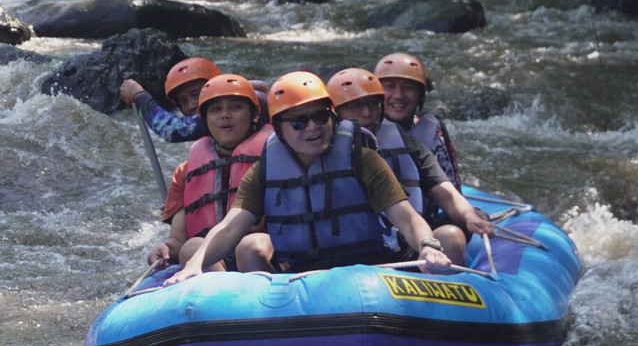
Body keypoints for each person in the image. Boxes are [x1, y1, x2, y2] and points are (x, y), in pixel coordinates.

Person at [165, 71, 452, 285]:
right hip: (305, 271)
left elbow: (405, 215)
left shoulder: (362, 159)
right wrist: (196, 263)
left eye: (319, 117)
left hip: (371, 266)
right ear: (278, 129)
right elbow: (230, 227)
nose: (313, 128)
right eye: (299, 122)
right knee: (246, 248)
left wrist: (428, 245)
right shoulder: (264, 171)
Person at [327, 67, 492, 266]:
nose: (367, 113)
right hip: (340, 259)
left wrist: (468, 215)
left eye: (373, 104)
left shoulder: (403, 142)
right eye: (354, 106)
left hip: (400, 248)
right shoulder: (317, 150)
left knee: (451, 236)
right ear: (335, 113)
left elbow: (444, 191)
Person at [148, 74, 273, 271]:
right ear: (205, 120)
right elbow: (178, 241)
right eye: (216, 109)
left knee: (250, 247)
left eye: (235, 107)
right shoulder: (185, 172)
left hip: (263, 249)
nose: (225, 115)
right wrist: (165, 248)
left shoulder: (275, 155)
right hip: (213, 258)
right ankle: (223, 299)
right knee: (191, 248)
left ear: (254, 115)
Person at [373, 52, 462, 188]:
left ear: (420, 95)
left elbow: (453, 187)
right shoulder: (365, 134)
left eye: (408, 88)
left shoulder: (435, 136)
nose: (399, 95)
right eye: (390, 86)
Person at [120, 57, 220, 143]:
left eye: (196, 94)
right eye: (184, 101)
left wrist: (139, 96)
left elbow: (171, 129)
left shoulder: (225, 115)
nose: (191, 105)